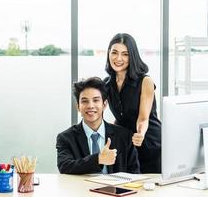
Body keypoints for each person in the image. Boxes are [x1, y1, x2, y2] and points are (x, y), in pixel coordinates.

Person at [56, 77, 139, 174]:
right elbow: (65, 167)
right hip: (80, 188)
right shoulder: (66, 138)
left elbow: (134, 173)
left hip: (116, 188)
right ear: (78, 107)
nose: (90, 106)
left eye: (95, 100)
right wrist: (98, 159)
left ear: (104, 105)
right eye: (84, 101)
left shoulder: (124, 136)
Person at [104, 33, 161, 173]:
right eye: (115, 52)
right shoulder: (107, 83)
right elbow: (122, 116)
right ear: (109, 54)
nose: (118, 58)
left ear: (132, 56)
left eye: (125, 54)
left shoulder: (145, 81)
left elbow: (143, 118)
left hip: (149, 142)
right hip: (127, 146)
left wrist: (140, 133)